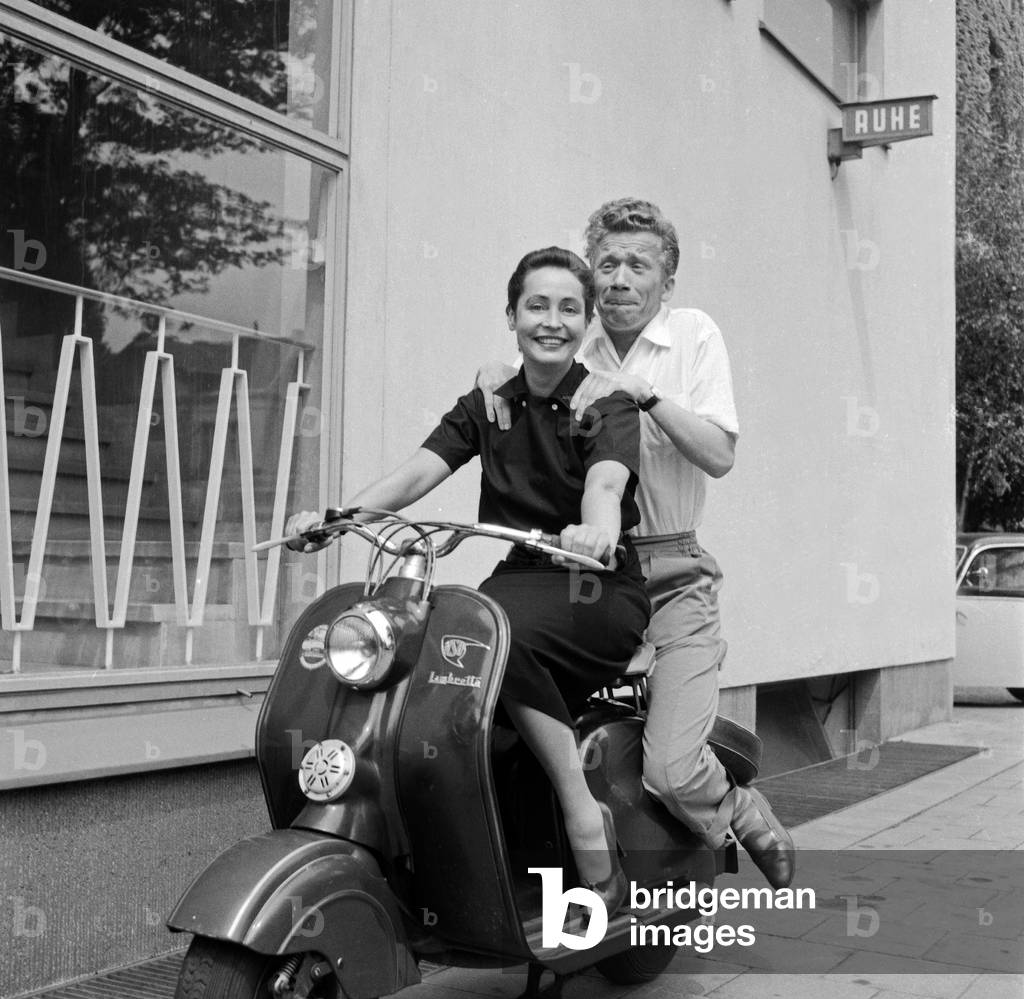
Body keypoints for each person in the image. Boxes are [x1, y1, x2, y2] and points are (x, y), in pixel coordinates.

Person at [286, 246, 651, 916]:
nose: (552, 321)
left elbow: (606, 483)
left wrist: (595, 531)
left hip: (596, 583)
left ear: (586, 323)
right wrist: (339, 519)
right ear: (511, 316)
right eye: (536, 306)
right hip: (520, 578)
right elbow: (417, 471)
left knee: (490, 635)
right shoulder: (488, 403)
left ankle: (581, 809)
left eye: (569, 309)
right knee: (441, 645)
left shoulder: (607, 402)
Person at [477, 199, 795, 888]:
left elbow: (719, 455)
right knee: (507, 713)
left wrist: (645, 395)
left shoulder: (694, 335)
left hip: (674, 574)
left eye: (638, 265)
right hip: (583, 578)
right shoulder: (574, 343)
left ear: (666, 282)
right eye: (608, 264)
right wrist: (493, 379)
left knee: (672, 772)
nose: (620, 278)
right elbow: (515, 389)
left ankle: (735, 805)